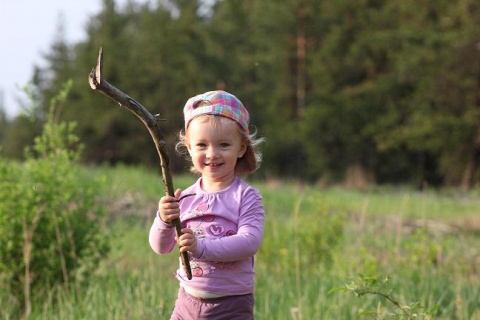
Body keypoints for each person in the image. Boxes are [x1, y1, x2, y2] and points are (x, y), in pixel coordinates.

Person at [149, 90, 265, 320]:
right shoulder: (185, 198)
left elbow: (249, 242)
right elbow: (161, 247)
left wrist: (201, 247)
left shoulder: (246, 197)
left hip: (231, 305)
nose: (212, 154)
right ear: (189, 148)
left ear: (241, 148)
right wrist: (163, 219)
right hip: (187, 302)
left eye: (223, 144)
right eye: (201, 145)